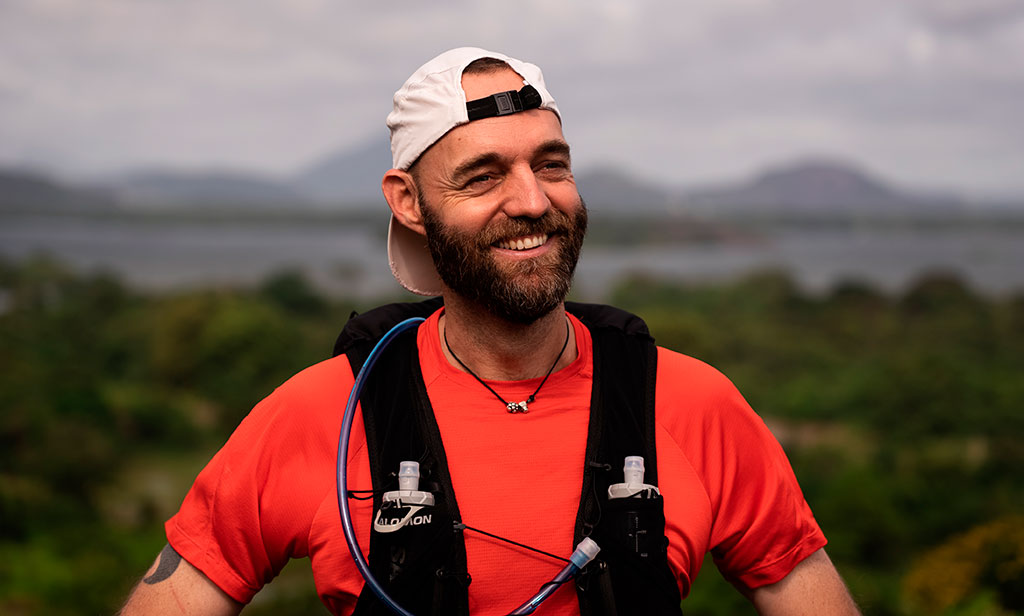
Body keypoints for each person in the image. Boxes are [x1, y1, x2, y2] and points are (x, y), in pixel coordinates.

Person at [120, 47, 860, 615]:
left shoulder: (690, 404)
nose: (533, 201)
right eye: (483, 176)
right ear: (408, 202)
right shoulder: (325, 413)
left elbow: (803, 585)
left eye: (552, 164)